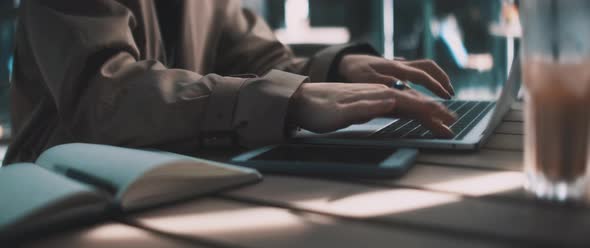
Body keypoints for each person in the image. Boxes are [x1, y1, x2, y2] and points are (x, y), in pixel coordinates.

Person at [4, 0, 456, 164]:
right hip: (60, 194)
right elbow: (105, 95)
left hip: (165, 177)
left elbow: (262, 61)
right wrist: (290, 101)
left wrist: (333, 70)